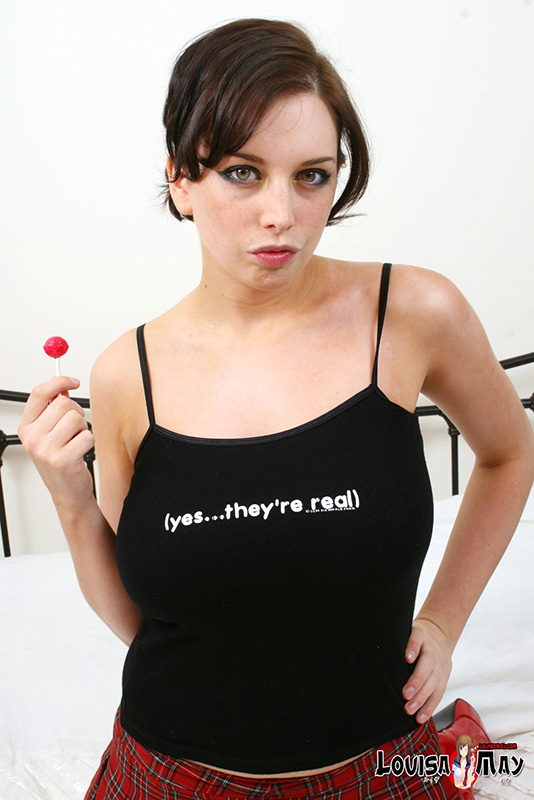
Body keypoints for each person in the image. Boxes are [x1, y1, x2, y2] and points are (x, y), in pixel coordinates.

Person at [18, 18, 534, 800]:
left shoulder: (414, 313)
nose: (281, 214)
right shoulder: (128, 373)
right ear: (181, 181)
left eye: (312, 176)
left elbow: (510, 450)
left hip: (384, 770)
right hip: (167, 774)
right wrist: (69, 499)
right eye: (242, 172)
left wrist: (442, 620)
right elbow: (149, 621)